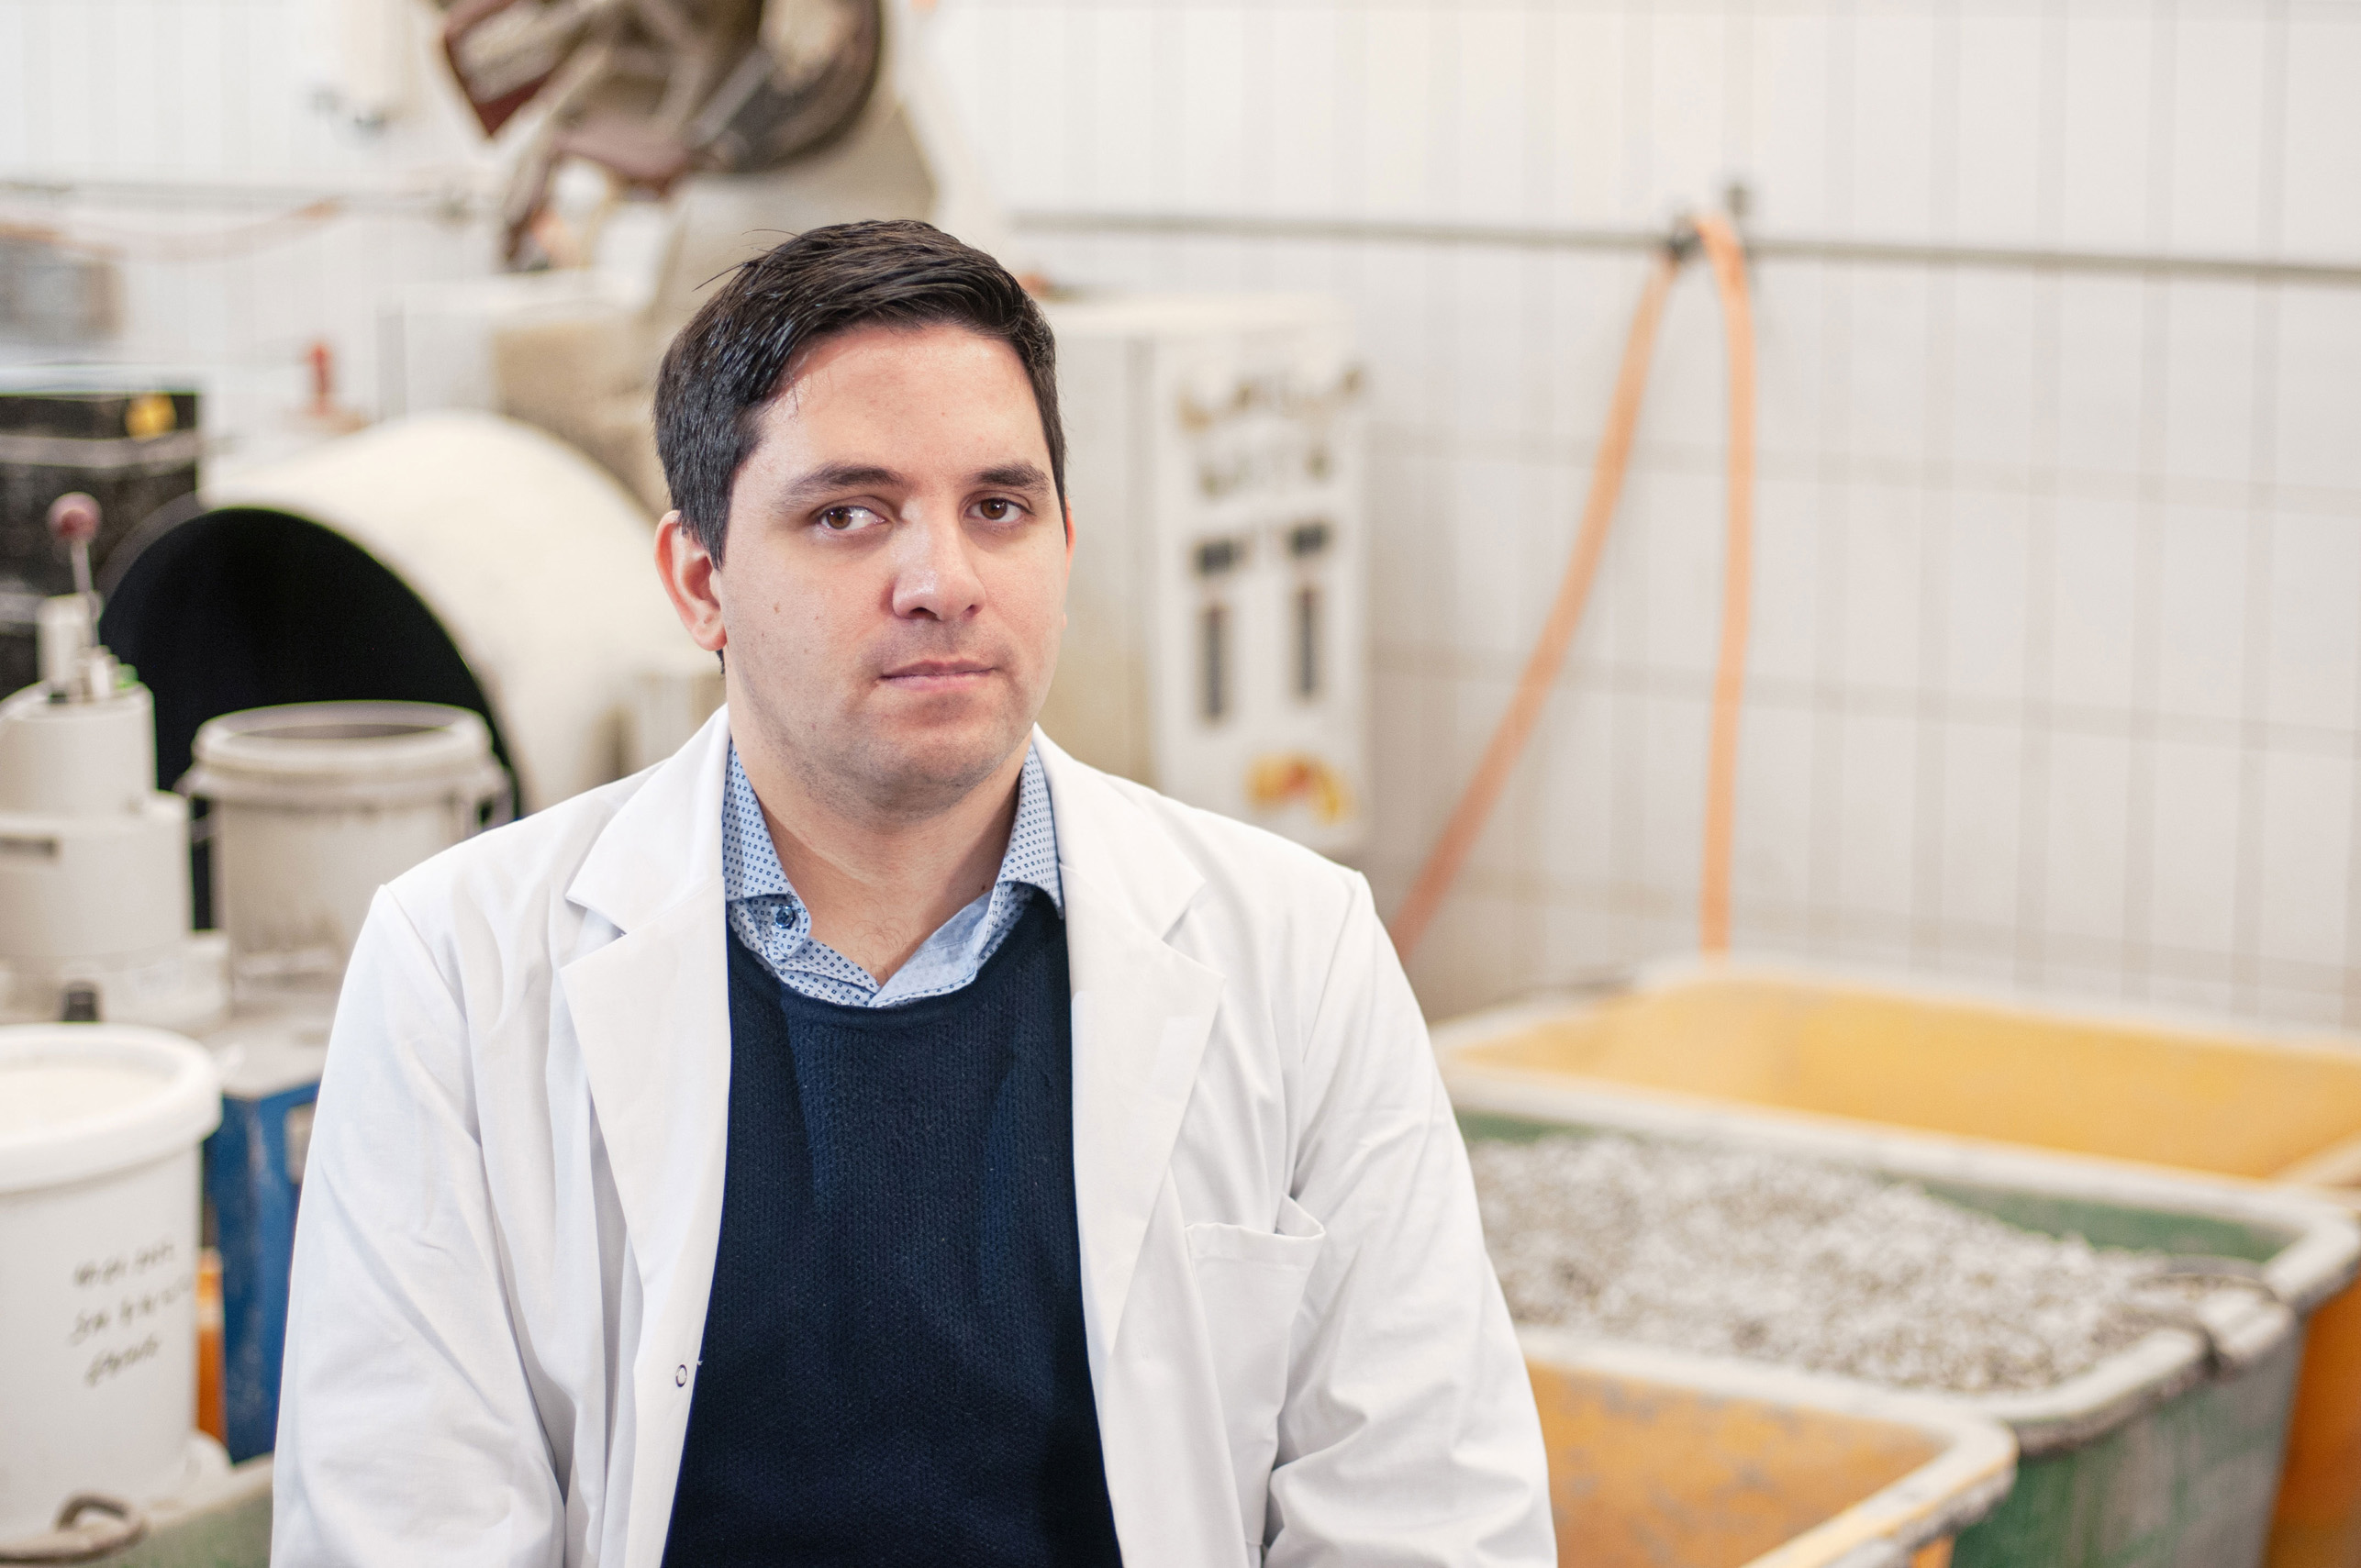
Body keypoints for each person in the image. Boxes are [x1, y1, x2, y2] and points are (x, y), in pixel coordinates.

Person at [272, 219, 1552, 1568]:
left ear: (1064, 547)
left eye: (998, 508)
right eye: (848, 513)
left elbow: (1425, 1514)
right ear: (700, 582)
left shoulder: (1296, 952)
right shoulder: (457, 967)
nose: (943, 582)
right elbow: (401, 1526)